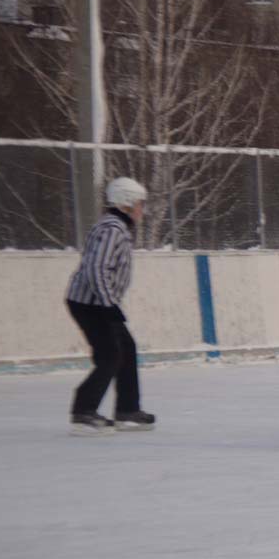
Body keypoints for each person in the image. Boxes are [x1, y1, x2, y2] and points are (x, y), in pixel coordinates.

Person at [65, 176, 155, 435]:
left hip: (100, 302)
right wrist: (108, 305)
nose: (142, 209)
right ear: (125, 203)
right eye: (139, 203)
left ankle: (127, 410)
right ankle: (83, 411)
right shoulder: (112, 229)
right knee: (110, 355)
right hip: (89, 303)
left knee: (126, 348)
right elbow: (97, 268)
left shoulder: (118, 227)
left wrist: (109, 303)